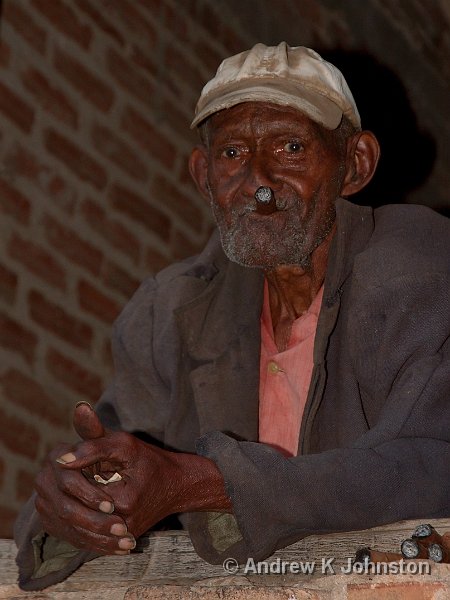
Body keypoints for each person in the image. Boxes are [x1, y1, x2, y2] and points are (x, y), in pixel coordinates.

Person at [14, 42, 450, 591]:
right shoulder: (172, 309)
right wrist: (79, 500)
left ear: (354, 166)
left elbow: (434, 465)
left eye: (291, 147)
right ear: (204, 178)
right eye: (232, 154)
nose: (258, 181)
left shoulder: (423, 266)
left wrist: (209, 485)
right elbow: (90, 478)